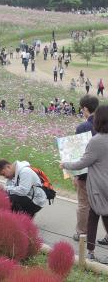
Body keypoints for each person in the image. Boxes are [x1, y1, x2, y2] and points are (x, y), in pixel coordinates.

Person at [61, 105, 108, 262]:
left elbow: (83, 163)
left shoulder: (96, 141)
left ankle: (90, 252)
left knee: (94, 217)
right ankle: (90, 251)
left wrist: (65, 164)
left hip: (99, 187)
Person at [71, 95, 99, 242]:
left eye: (82, 109)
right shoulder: (104, 125)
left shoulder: (83, 127)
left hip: (86, 174)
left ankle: (82, 234)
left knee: (84, 204)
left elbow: (78, 154)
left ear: (86, 109)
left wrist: (75, 175)